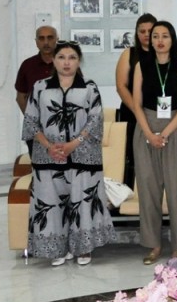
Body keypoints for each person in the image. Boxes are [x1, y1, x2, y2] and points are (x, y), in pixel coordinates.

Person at [23, 40, 116, 266]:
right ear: (53, 61)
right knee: (51, 202)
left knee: (83, 202)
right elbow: (31, 120)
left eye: (72, 57)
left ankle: (83, 248)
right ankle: (57, 249)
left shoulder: (89, 87)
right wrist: (48, 145)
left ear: (79, 61)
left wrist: (73, 144)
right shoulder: (40, 87)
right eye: (62, 57)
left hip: (84, 155)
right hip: (48, 156)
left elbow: (95, 121)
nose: (67, 62)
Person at [131, 20, 177, 263]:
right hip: (146, 127)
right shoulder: (141, 65)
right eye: (155, 35)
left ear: (172, 39)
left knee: (176, 190)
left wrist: (164, 134)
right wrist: (149, 133)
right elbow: (136, 103)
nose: (159, 40)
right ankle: (153, 245)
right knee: (148, 190)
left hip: (174, 129)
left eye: (165, 36)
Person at [114, 13, 156, 187]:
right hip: (132, 114)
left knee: (156, 158)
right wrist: (138, 111)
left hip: (157, 115)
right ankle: (130, 195)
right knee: (132, 158)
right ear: (137, 34)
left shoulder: (166, 54)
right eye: (142, 31)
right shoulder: (129, 54)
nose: (146, 34)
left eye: (150, 30)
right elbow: (121, 86)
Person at [15, 25, 59, 114]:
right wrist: (32, 121)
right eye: (41, 38)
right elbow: (20, 97)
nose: (46, 42)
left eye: (50, 38)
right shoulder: (27, 65)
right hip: (36, 122)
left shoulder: (67, 64)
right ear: (36, 42)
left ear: (57, 39)